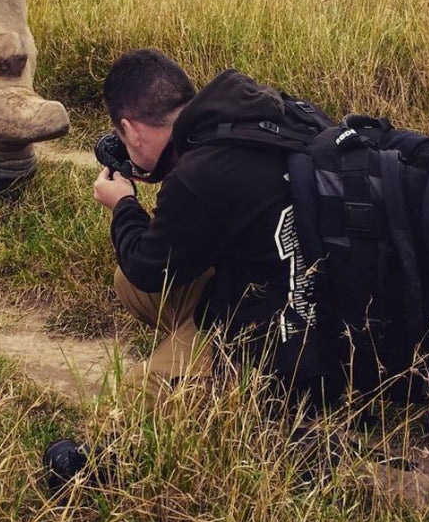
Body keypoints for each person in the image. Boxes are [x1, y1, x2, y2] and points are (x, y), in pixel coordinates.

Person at [92, 48, 302, 398]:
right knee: (127, 284)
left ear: (129, 130)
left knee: (137, 395)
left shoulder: (198, 176)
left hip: (278, 324)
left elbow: (146, 269)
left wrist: (124, 203)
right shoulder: (254, 121)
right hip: (310, 286)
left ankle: (224, 372)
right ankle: (193, 348)